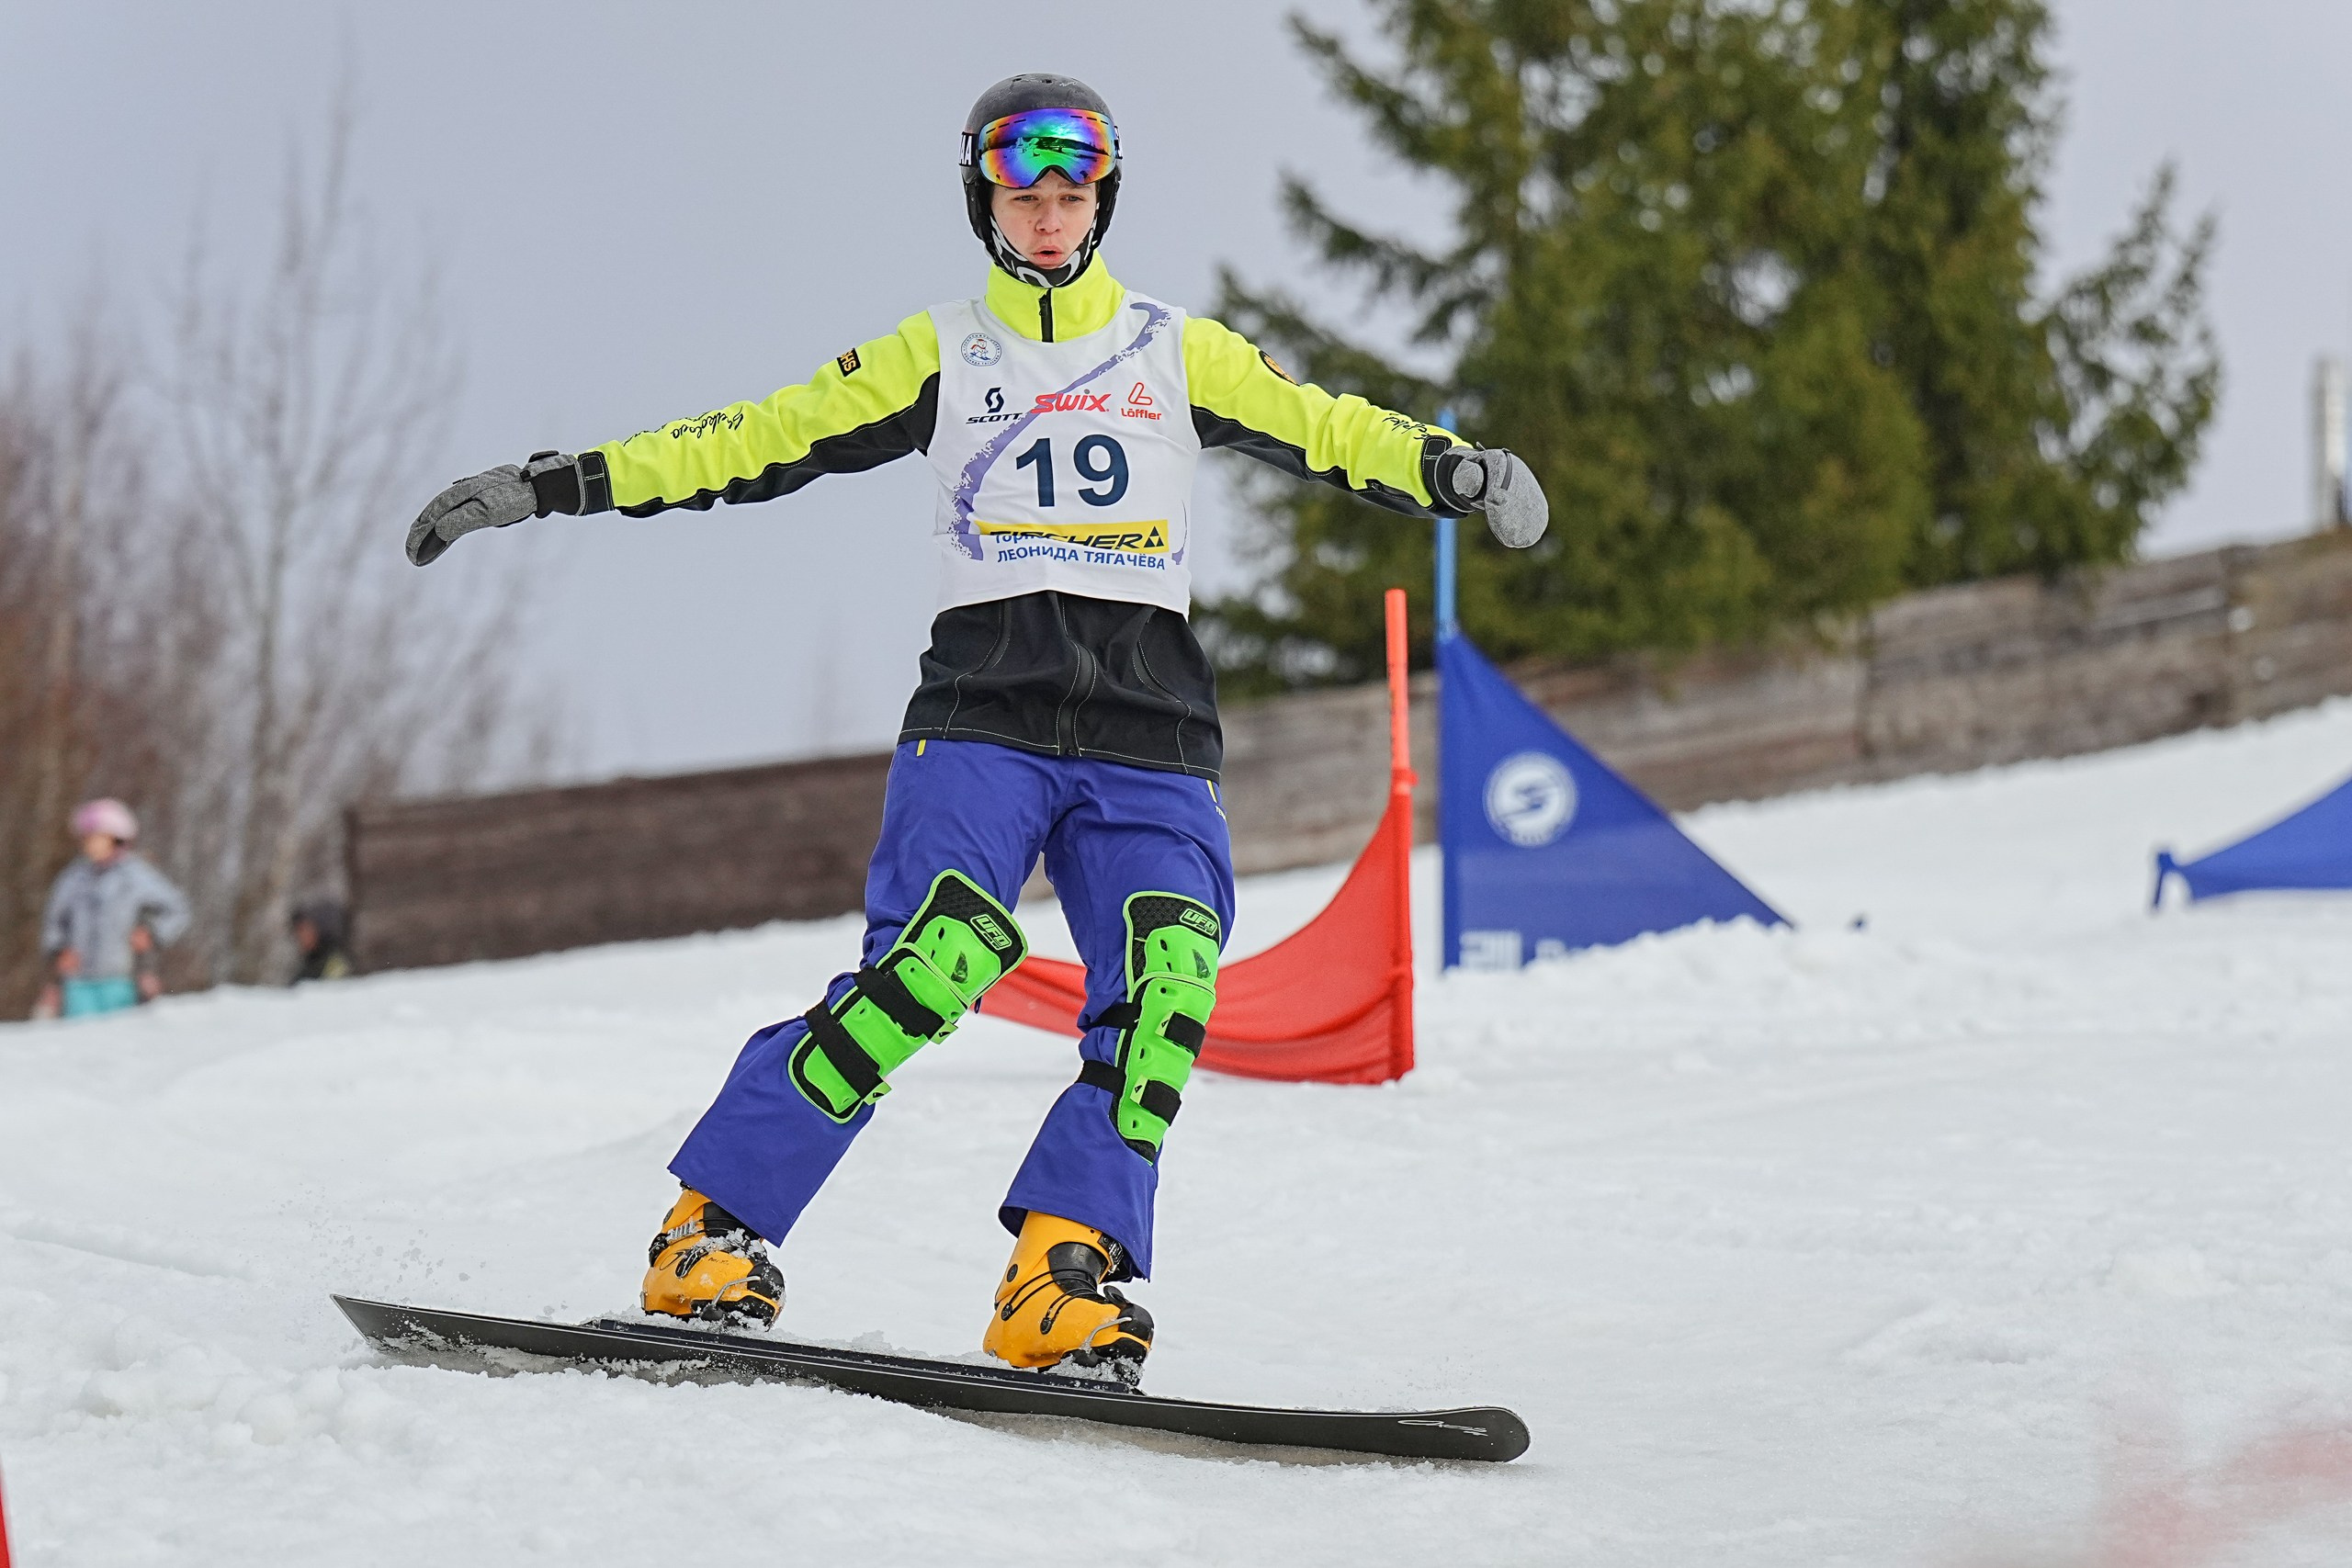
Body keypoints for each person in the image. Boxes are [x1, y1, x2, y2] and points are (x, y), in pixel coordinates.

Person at [405, 73, 1548, 1377]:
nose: (1050, 218)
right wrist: (559, 482)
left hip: (1149, 729)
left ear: (1102, 200)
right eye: (1024, 194)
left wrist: (1453, 468)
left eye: (1073, 194)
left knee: (1167, 986)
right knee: (935, 960)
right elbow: (751, 440)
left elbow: (1329, 429)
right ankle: (709, 1228)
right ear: (984, 201)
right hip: (985, 717)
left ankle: (1061, 1270)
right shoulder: (940, 352)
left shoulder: (1179, 349)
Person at [37, 798, 192, 1020]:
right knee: (78, 1043)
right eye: (86, 837)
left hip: (121, 980)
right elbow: (54, 920)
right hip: (78, 982)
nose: (88, 843)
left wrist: (152, 933)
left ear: (117, 839)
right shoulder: (73, 877)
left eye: (96, 837)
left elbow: (178, 909)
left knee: (116, 1043)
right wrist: (59, 950)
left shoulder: (135, 875)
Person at [289, 898, 353, 983]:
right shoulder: (308, 967)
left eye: (302, 929)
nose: (299, 937)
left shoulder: (336, 964)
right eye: (297, 932)